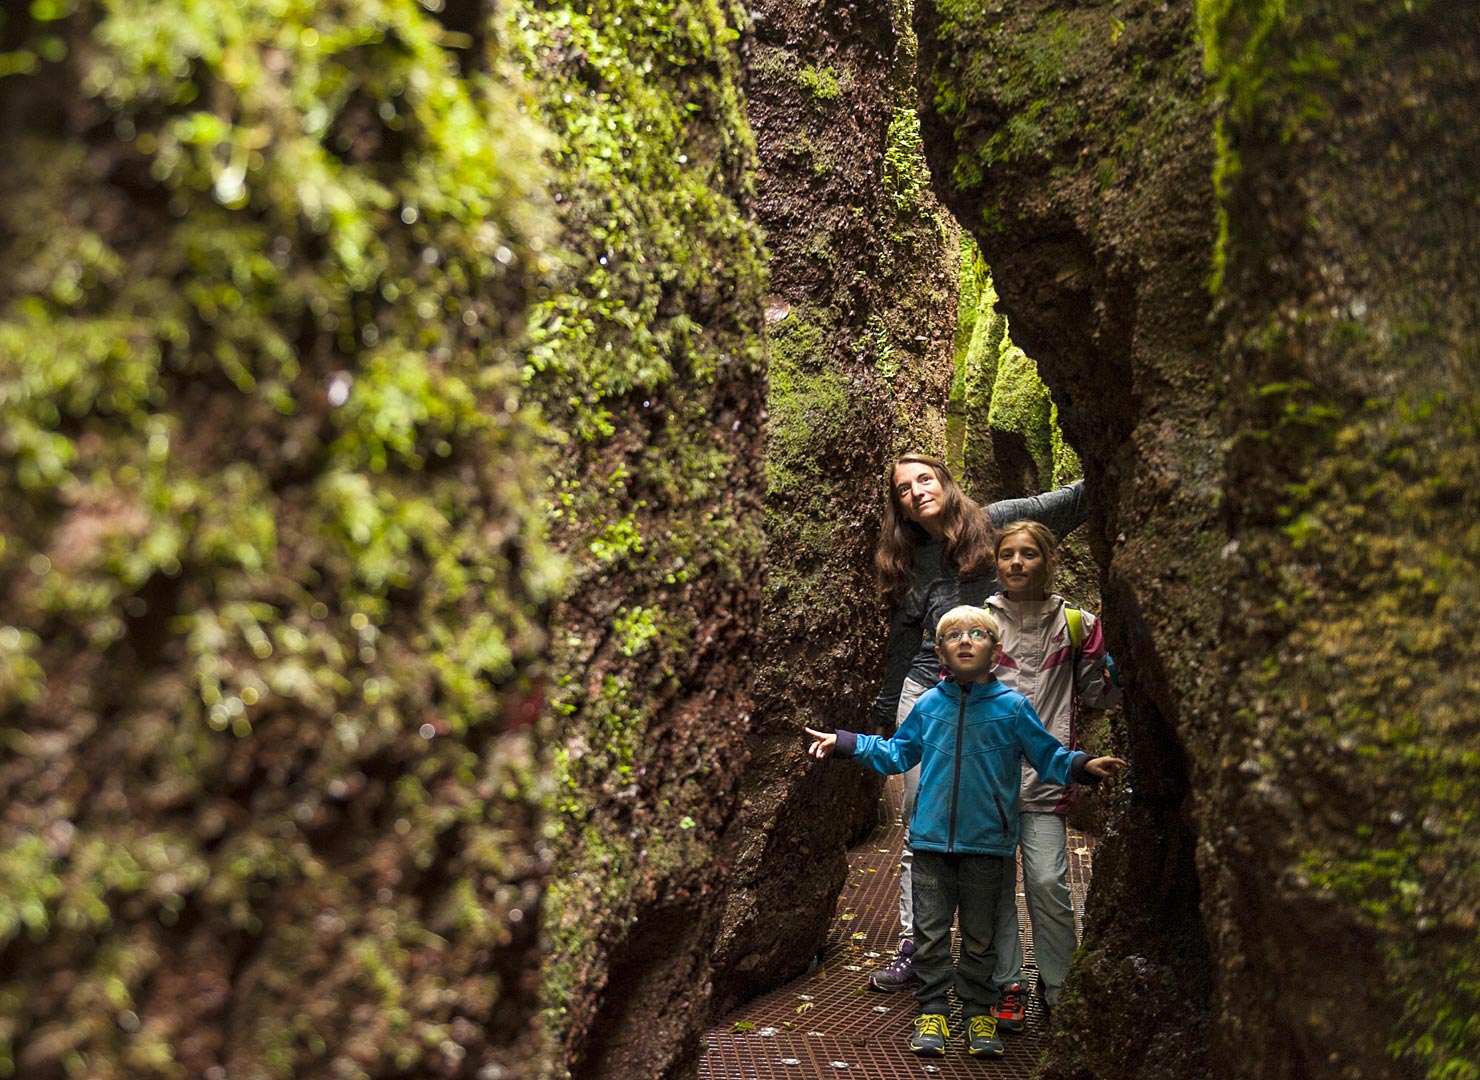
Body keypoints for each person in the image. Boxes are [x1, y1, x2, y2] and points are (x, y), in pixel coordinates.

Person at [805, 606, 1126, 1058]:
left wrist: (1081, 765)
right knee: (931, 933)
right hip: (931, 842)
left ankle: (978, 1009)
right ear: (940, 652)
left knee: (981, 936)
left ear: (996, 651)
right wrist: (845, 742)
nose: (966, 640)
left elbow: (1047, 755)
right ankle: (933, 1007)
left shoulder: (1013, 708)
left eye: (978, 634)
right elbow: (897, 753)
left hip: (987, 844)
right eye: (954, 635)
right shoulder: (929, 705)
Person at [868, 453, 1088, 992]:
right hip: (929, 694)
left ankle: (1001, 964)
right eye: (903, 489)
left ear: (945, 482)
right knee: (923, 818)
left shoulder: (997, 522)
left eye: (925, 479)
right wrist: (886, 711)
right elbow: (902, 641)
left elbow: (1073, 503)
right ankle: (916, 946)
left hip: (997, 693)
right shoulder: (910, 558)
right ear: (898, 506)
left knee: (998, 831)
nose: (917, 492)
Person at [984, 520, 1122, 1030]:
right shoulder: (979, 621)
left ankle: (1060, 985)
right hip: (987, 780)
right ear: (995, 562)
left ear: (1049, 560)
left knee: (1047, 881)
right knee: (993, 888)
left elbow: (1095, 697)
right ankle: (1008, 985)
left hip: (1046, 777)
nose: (1017, 563)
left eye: (1029, 554)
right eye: (1007, 554)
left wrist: (1122, 668)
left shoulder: (1077, 624)